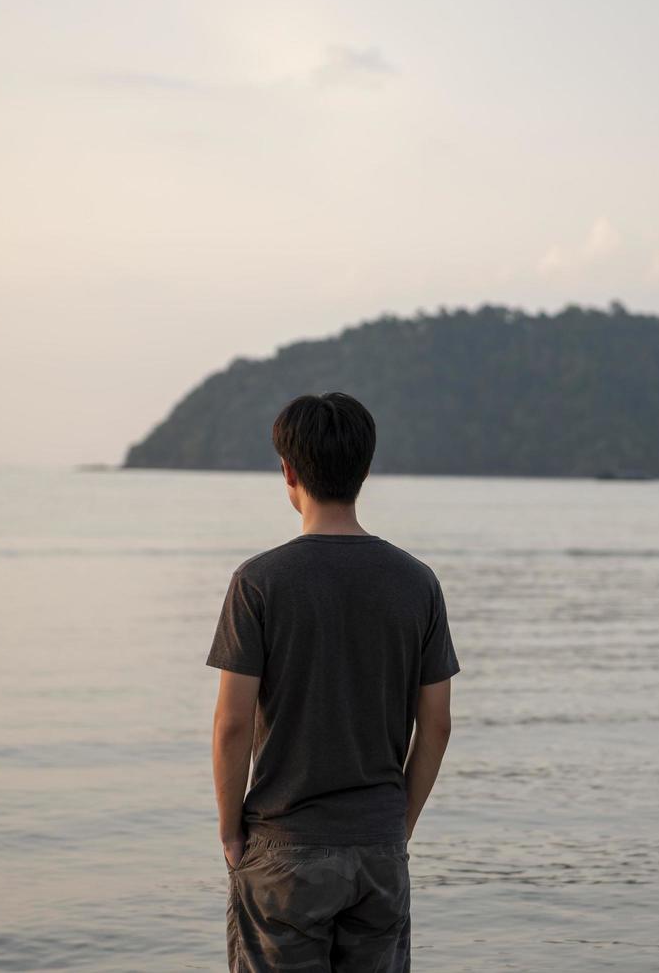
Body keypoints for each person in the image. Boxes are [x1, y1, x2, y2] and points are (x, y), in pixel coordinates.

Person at [208, 392, 460, 973]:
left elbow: (233, 724)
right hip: (378, 848)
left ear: (288, 472)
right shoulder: (417, 583)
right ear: (364, 471)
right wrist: (398, 827)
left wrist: (230, 831)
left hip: (284, 846)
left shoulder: (259, 582)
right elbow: (438, 725)